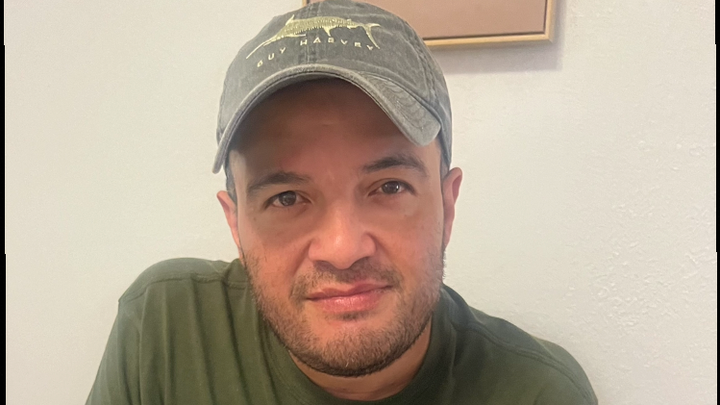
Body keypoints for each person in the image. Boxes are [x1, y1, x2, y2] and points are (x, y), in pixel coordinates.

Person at [86, 0, 597, 404]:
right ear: (235, 224)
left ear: (447, 204)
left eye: (389, 188)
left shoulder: (538, 393)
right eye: (288, 197)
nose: (342, 248)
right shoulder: (164, 334)